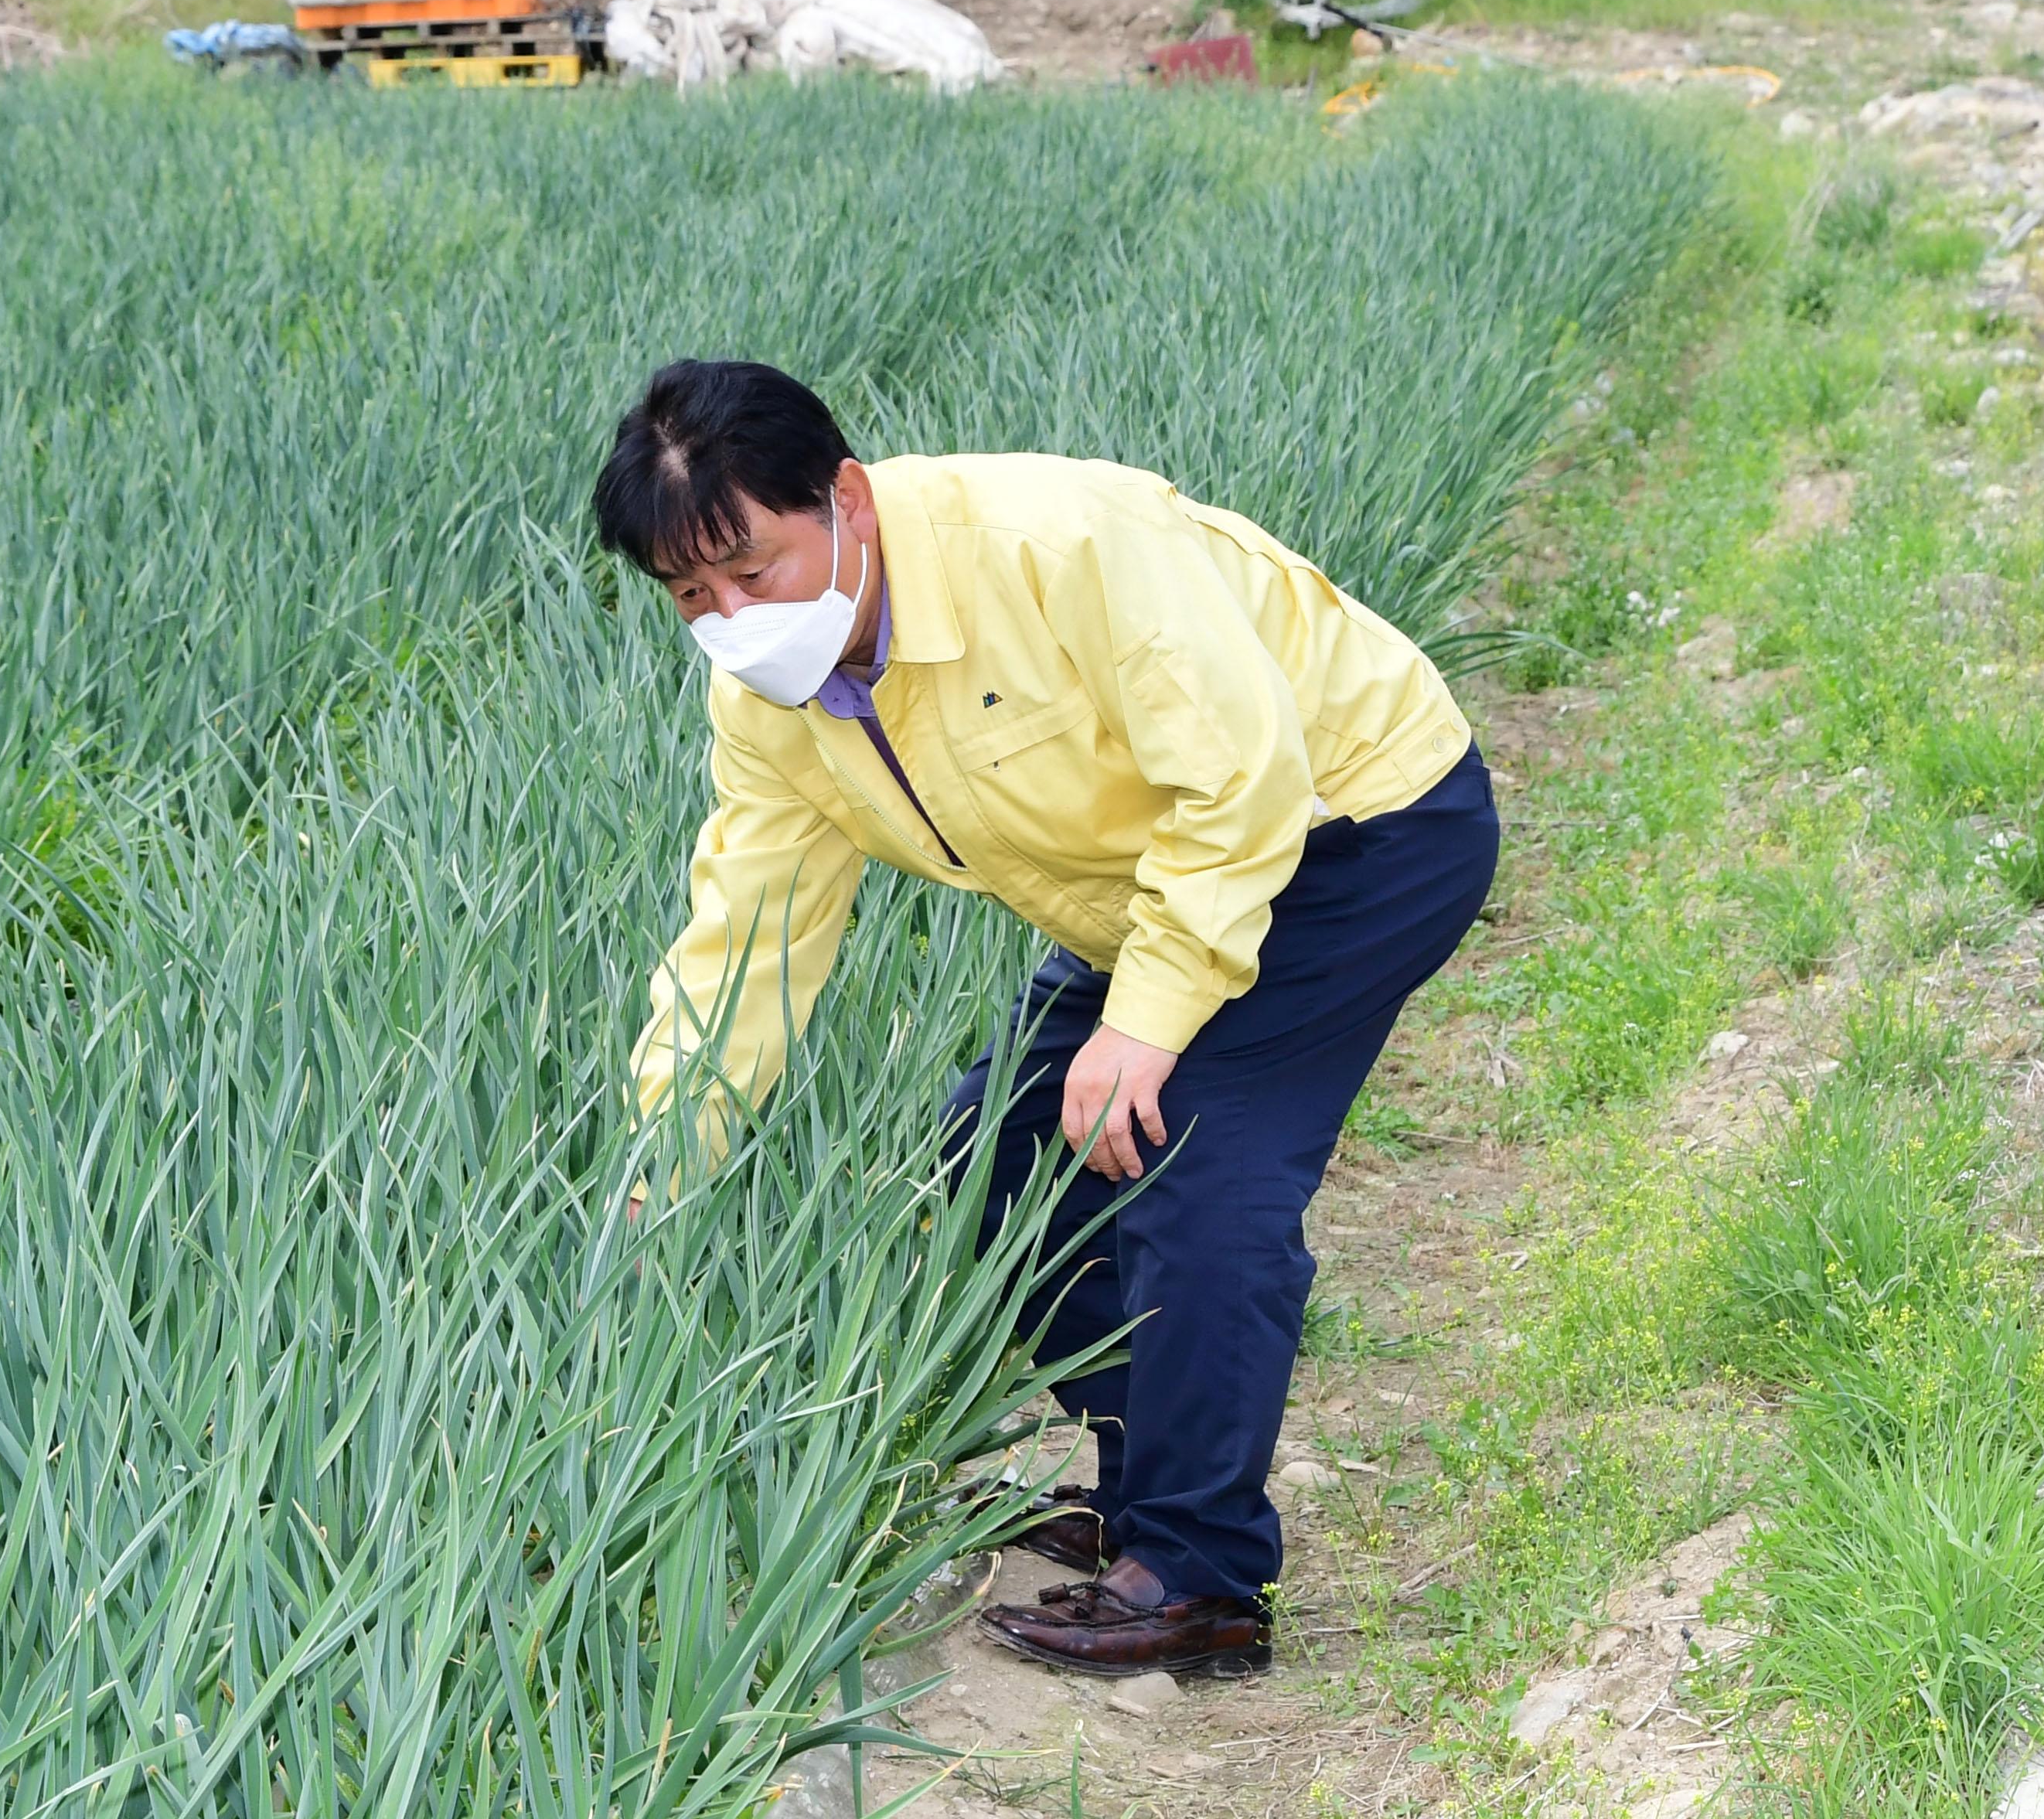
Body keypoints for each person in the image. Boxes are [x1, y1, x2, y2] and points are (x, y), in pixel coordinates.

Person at [592, 359, 1499, 1678]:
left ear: (844, 498)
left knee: (1189, 1150)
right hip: (1155, 887)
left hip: (1353, 828)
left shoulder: (1060, 547)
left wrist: (1149, 1022)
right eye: (692, 597)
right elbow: (749, 937)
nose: (733, 618)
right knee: (1001, 1151)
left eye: (752, 567)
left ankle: (1200, 1577)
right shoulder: (773, 703)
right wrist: (661, 1165)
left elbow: (1244, 785)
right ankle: (1149, 1497)